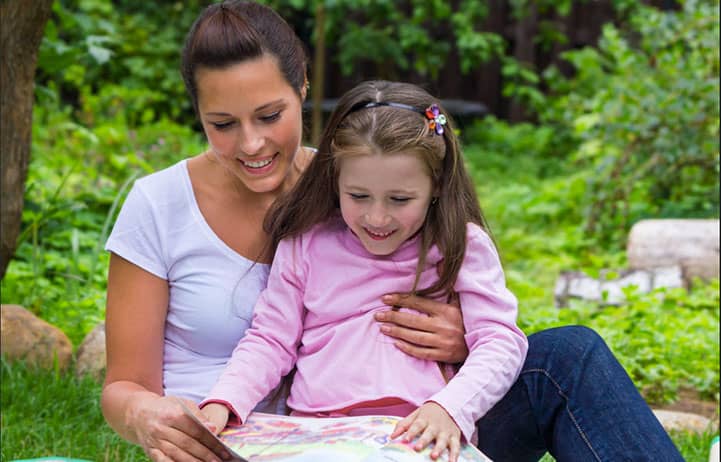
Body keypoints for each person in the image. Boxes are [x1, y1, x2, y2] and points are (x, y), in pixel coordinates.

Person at [101, 1, 684, 461]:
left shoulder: (353, 179)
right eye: (222, 124)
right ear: (197, 114)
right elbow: (139, 381)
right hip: (268, 436)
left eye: (270, 115)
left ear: (303, 86)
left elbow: (491, 330)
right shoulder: (167, 205)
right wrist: (176, 414)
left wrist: (461, 344)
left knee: (570, 354)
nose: (251, 144)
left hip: (420, 421)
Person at [199, 80, 528, 462]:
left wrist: (450, 408)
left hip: (417, 432)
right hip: (315, 435)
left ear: (436, 184)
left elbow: (500, 340)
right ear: (334, 178)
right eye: (358, 196)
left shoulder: (460, 244)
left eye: (400, 199)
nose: (376, 217)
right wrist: (224, 400)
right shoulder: (307, 242)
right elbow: (271, 339)